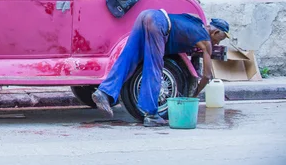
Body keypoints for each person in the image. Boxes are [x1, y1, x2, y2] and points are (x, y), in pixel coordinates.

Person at [91, 9, 230, 127]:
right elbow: (207, 75)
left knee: (128, 57)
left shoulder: (197, 22)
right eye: (219, 39)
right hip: (158, 23)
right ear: (216, 32)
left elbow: (184, 29)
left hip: (146, 15)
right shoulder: (206, 42)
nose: (217, 43)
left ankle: (104, 92)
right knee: (154, 67)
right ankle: (151, 115)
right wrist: (194, 94)